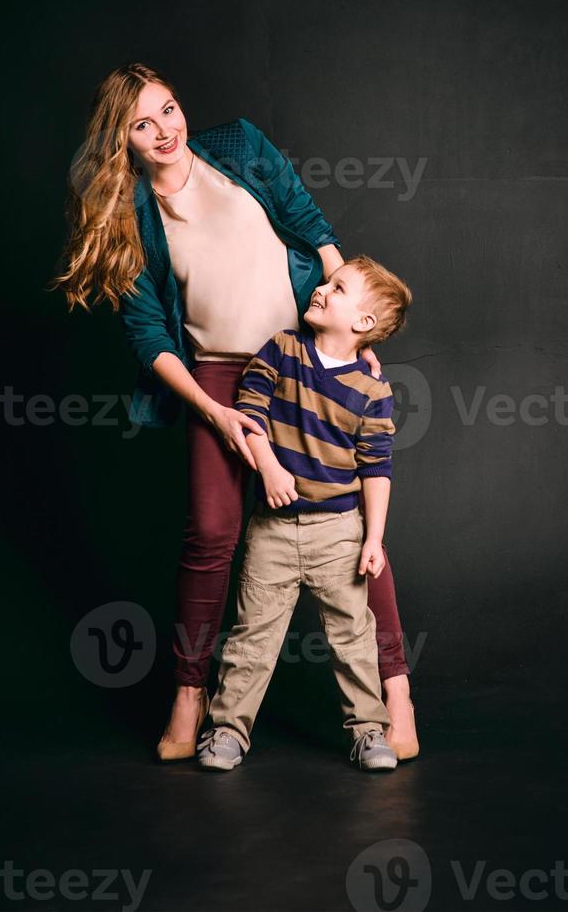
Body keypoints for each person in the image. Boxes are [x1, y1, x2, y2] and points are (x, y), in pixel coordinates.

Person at [48, 63, 419, 762]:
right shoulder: (130, 216)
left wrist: (353, 337)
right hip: (215, 376)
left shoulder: (241, 147)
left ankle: (394, 692)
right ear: (121, 140)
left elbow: (311, 226)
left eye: (168, 109)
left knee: (351, 527)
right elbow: (151, 336)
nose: (164, 130)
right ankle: (191, 697)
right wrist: (214, 414)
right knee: (213, 534)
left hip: (304, 361)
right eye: (142, 124)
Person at [197, 256, 411, 771]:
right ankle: (227, 730)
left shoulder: (373, 391)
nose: (320, 289)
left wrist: (372, 539)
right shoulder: (283, 350)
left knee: (353, 638)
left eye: (337, 289)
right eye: (327, 282)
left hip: (339, 531)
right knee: (253, 637)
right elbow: (250, 410)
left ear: (362, 324)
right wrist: (268, 467)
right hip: (272, 531)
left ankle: (368, 731)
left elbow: (376, 469)